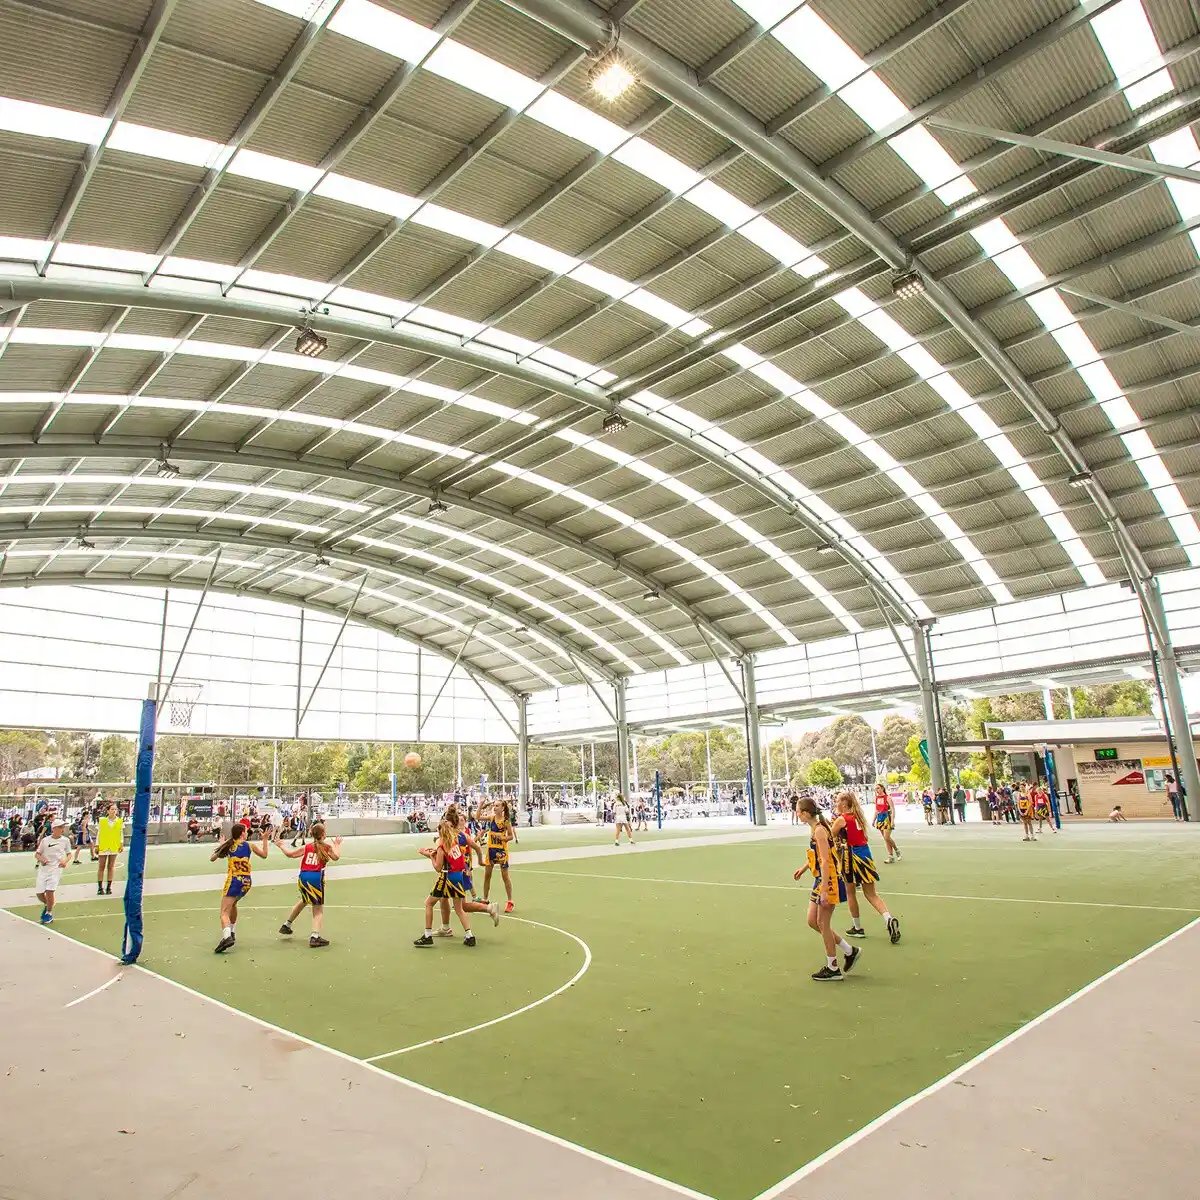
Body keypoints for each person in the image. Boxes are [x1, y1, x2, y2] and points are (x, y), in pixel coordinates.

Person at [793, 796, 859, 981]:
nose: (797, 814)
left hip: (828, 880)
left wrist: (824, 888)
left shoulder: (820, 831)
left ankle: (833, 967)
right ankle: (849, 950)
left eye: (798, 811)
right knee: (813, 921)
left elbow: (825, 860)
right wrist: (804, 868)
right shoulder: (816, 829)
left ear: (806, 813)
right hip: (821, 879)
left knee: (823, 923)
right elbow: (818, 855)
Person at [413, 815, 499, 947]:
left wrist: (430, 857)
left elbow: (438, 867)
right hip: (459, 876)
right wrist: (432, 853)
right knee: (459, 909)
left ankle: (427, 935)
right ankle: (469, 935)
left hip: (446, 877)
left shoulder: (442, 847)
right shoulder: (456, 843)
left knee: (429, 903)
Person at [832, 792, 901, 944]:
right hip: (865, 854)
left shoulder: (841, 819)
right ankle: (888, 918)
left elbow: (831, 836)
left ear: (844, 804)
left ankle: (857, 928)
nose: (835, 803)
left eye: (837, 801)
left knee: (851, 892)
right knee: (871, 893)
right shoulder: (859, 818)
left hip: (850, 857)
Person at [275, 822, 342, 948]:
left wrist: (281, 846)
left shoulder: (307, 847)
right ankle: (315, 936)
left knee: (305, 900)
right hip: (315, 878)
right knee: (318, 908)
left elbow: (290, 854)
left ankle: (287, 925)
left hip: (303, 877)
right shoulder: (327, 847)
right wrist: (337, 845)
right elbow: (336, 857)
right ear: (324, 834)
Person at [210, 822, 270, 953]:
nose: (247, 831)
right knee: (233, 905)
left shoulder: (230, 845)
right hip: (246, 882)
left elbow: (212, 858)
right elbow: (265, 855)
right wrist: (265, 839)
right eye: (246, 830)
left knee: (224, 912)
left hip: (234, 881)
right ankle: (232, 932)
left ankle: (226, 937)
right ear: (242, 833)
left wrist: (221, 845)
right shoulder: (250, 846)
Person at [35, 815, 72, 924]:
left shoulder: (65, 840)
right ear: (54, 829)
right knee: (39, 893)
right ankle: (48, 905)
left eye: (63, 827)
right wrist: (42, 859)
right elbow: (37, 854)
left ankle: (49, 913)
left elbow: (69, 854)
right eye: (60, 827)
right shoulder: (45, 841)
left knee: (50, 891)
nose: (62, 829)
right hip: (44, 869)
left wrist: (64, 861)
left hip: (56, 869)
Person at [482, 800, 515, 912]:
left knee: (505, 876)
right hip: (491, 849)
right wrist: (481, 805)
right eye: (494, 805)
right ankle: (485, 899)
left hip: (501, 851)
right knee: (487, 875)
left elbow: (511, 836)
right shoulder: (491, 818)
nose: (495, 807)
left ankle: (510, 901)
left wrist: (504, 838)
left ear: (502, 808)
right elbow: (477, 817)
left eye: (497, 806)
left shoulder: (505, 821)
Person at [96, 801, 123, 896]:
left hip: (114, 845)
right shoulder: (102, 820)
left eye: (115, 809)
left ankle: (109, 886)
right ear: (108, 811)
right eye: (112, 809)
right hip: (103, 845)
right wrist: (97, 845)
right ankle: (100, 887)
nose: (114, 811)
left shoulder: (119, 821)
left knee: (111, 866)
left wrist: (121, 844)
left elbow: (120, 833)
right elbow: (99, 833)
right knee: (101, 866)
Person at [871, 784, 900, 863]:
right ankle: (890, 856)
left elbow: (893, 809)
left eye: (878, 788)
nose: (877, 790)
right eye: (876, 789)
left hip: (887, 817)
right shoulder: (876, 798)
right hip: (880, 818)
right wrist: (873, 820)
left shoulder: (888, 798)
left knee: (887, 837)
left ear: (882, 788)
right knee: (885, 839)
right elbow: (876, 810)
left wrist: (893, 820)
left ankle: (896, 849)